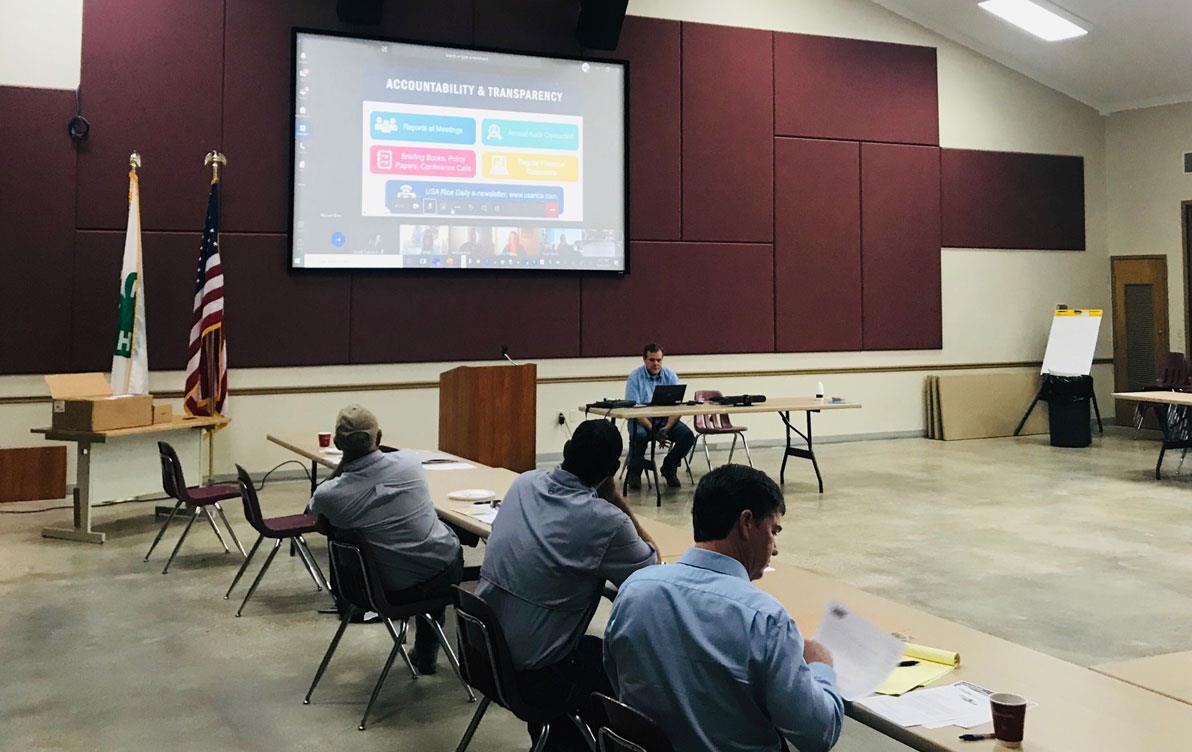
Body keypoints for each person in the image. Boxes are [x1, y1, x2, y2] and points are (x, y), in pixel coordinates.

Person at [604, 464, 844, 752]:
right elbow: (819, 734)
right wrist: (820, 667)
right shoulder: (765, 620)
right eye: (773, 530)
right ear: (746, 524)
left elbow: (616, 678)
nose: (775, 547)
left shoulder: (634, 590)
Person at [475, 419, 660, 751]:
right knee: (623, 665)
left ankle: (555, 737)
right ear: (612, 469)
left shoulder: (524, 483)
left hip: (482, 652)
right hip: (531, 675)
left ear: (565, 452)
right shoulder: (606, 521)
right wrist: (615, 500)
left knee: (587, 649)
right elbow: (650, 569)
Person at [308, 404, 462, 674]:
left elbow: (312, 515)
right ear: (379, 438)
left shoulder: (329, 496)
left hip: (377, 588)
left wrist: (345, 463)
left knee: (426, 548)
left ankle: (424, 653)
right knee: (442, 544)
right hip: (434, 575)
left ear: (337, 443)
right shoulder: (411, 463)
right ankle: (426, 653)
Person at [623, 343, 695, 489]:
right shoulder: (634, 377)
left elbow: (677, 407)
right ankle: (634, 473)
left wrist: (667, 428)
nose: (656, 363)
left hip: (665, 420)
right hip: (641, 420)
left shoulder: (670, 375)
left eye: (659, 360)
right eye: (652, 360)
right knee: (640, 436)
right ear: (644, 360)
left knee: (687, 436)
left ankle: (669, 467)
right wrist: (653, 430)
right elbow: (635, 411)